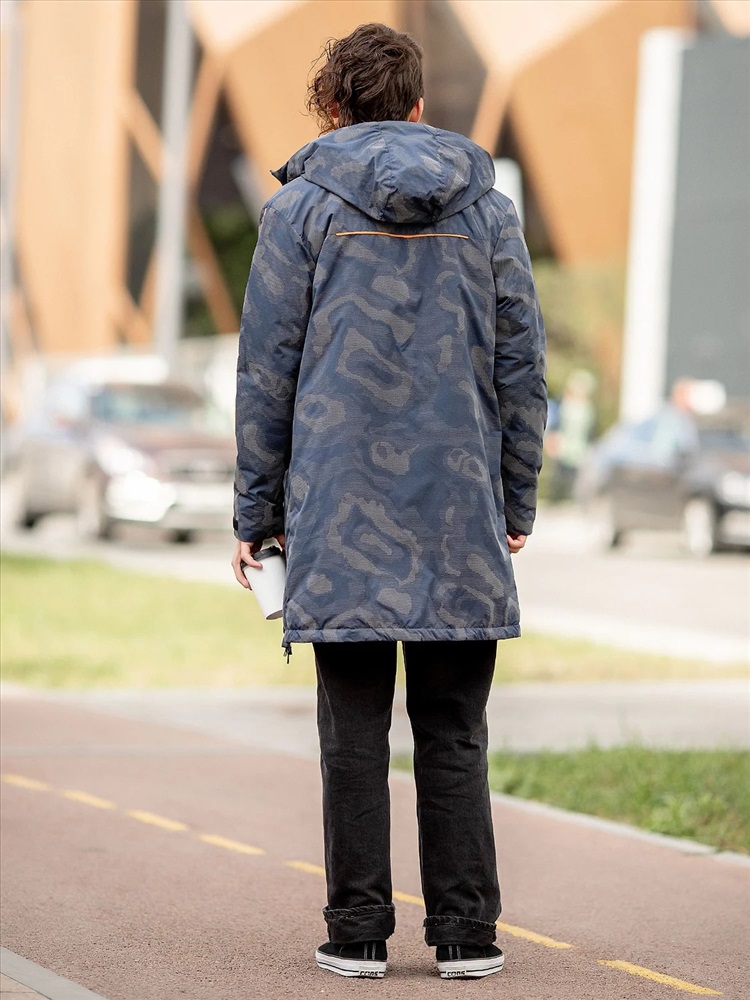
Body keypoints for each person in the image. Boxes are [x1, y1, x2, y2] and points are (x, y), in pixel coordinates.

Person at [231, 22, 547, 981]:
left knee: (353, 735)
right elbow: (521, 366)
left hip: (339, 512)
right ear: (416, 105)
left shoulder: (298, 213)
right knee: (454, 730)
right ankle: (467, 935)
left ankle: (358, 933)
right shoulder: (488, 211)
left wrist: (256, 516)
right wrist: (517, 498)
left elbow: (266, 373)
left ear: (332, 107)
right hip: (459, 510)